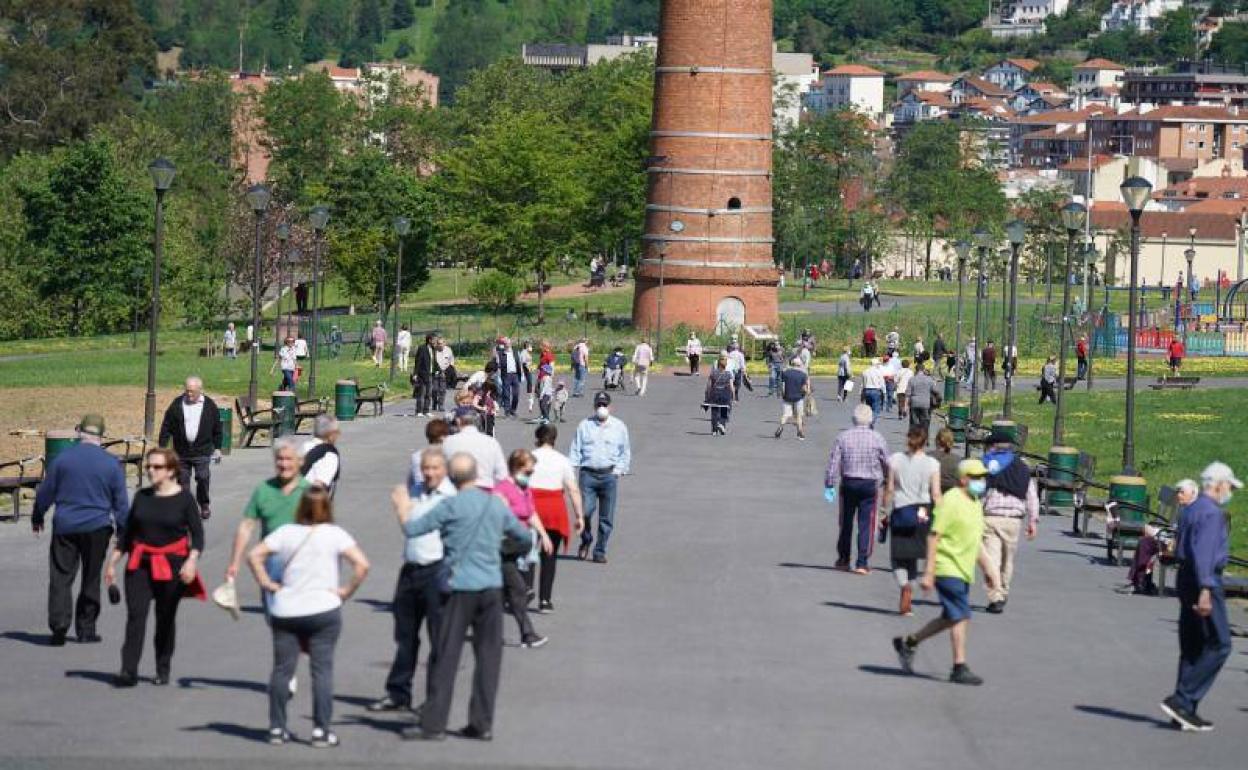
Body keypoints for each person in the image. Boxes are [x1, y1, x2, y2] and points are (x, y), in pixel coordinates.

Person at [398, 453, 534, 741]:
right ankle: (482, 723)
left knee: (447, 656)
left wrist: (402, 507)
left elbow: (413, 529)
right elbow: (523, 538)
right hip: (491, 586)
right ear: (476, 475)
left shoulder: (450, 505)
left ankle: (434, 724)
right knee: (488, 658)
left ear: (450, 475)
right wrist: (502, 549)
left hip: (457, 586)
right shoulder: (494, 505)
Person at [247, 486, 370, 748]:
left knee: (282, 670)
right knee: (322, 671)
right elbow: (362, 564)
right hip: (323, 608)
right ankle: (321, 731)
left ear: (300, 507)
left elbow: (254, 555)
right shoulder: (335, 534)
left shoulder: (285, 533)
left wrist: (268, 583)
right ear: (328, 507)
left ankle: (277, 729)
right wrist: (345, 591)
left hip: (287, 609)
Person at [105, 448, 205, 687]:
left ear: (171, 470)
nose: (151, 470)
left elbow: (198, 536)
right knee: (136, 617)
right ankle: (128, 671)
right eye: (149, 466)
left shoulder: (185, 499)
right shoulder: (142, 496)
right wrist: (112, 563)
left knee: (165, 619)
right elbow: (127, 535)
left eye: (157, 467)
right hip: (140, 565)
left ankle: (162, 668)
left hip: (172, 567)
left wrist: (191, 561)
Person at [371, 448, 456, 721]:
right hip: (410, 570)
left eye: (434, 468)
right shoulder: (416, 490)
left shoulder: (450, 498)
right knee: (405, 636)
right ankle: (398, 692)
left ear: (444, 469)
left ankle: (434, 699)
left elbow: (410, 524)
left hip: (438, 571)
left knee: (438, 640)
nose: (429, 473)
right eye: (425, 468)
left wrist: (401, 507)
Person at [892, 459, 993, 686]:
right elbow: (933, 535)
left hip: (964, 569)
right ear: (963, 479)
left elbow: (975, 540)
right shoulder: (951, 501)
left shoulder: (975, 503)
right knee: (961, 615)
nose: (981, 482)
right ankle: (959, 666)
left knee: (950, 616)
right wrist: (928, 572)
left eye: (983, 477)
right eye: (976, 477)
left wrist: (988, 569)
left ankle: (909, 642)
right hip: (947, 568)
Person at [32, 414, 129, 646]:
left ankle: (59, 627)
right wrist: (123, 530)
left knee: (61, 576)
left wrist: (38, 516)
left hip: (65, 525)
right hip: (97, 526)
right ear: (102, 436)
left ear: (79, 432)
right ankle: (86, 629)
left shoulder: (63, 460)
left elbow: (46, 492)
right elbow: (121, 502)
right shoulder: (111, 463)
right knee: (91, 576)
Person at [1160, 462, 1240, 732]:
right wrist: (1206, 589)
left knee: (1193, 644)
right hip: (1205, 580)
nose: (1230, 490)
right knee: (1220, 643)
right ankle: (1182, 699)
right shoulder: (1212, 514)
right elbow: (1204, 552)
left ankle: (1183, 712)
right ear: (1217, 484)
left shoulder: (1191, 509)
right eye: (1229, 485)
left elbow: (1186, 546)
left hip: (1185, 577)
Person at [225, 438, 311, 584]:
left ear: (300, 461)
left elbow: (324, 530)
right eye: (280, 459)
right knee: (273, 605)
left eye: (289, 459)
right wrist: (235, 563)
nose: (284, 464)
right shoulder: (264, 490)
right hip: (270, 562)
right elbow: (246, 526)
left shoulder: (310, 492)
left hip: (302, 562)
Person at [492, 449, 554, 648]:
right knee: (518, 589)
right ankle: (527, 635)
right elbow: (497, 519)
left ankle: (491, 632)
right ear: (516, 468)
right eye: (528, 472)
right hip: (502, 548)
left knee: (501, 593)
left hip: (516, 549)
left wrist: (544, 536)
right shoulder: (502, 489)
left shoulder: (523, 489)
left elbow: (531, 513)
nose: (530, 476)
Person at [882, 427, 942, 616]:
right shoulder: (932, 463)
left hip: (902, 509)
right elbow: (936, 494)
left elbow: (890, 489)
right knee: (914, 555)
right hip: (922, 511)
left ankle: (904, 585)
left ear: (908, 440)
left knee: (898, 555)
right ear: (925, 442)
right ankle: (911, 587)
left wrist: (884, 511)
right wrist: (942, 515)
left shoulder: (895, 460)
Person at [824, 404, 890, 574]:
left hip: (849, 482)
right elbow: (886, 461)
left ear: (854, 419)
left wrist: (829, 483)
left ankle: (844, 558)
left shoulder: (843, 437)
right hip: (869, 484)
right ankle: (862, 561)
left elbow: (834, 463)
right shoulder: (877, 438)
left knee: (845, 522)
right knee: (866, 523)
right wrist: (887, 478)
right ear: (871, 419)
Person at [980, 428, 1040, 614]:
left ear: (993, 446)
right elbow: (1031, 494)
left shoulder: (988, 464)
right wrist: (1033, 520)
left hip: (991, 517)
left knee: (992, 560)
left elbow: (981, 490)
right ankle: (1002, 591)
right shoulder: (1022, 466)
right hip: (1014, 520)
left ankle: (996, 595)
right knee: (1008, 560)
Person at [569, 391, 631, 563]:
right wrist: (571, 472)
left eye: (604, 405)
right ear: (594, 406)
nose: (601, 408)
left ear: (610, 407)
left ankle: (600, 551)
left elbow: (625, 452)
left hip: (608, 476)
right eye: (599, 405)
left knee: (606, 518)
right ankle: (586, 539)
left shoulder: (619, 427)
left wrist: (618, 470)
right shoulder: (584, 425)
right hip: (588, 475)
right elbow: (575, 448)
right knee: (585, 512)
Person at [530, 425, 585, 613]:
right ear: (554, 439)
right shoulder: (562, 460)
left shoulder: (529, 457)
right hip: (554, 508)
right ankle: (545, 599)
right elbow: (573, 489)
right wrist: (579, 515)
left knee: (528, 549)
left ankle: (527, 587)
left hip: (532, 506)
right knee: (549, 554)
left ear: (536, 438)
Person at [158, 376, 224, 519]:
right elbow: (166, 426)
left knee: (202, 477)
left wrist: (218, 447)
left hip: (202, 450)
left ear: (200, 390)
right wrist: (162, 447)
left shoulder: (209, 405)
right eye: (187, 391)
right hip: (182, 451)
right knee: (183, 480)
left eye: (192, 391)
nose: (189, 394)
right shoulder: (177, 404)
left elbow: (217, 428)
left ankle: (204, 504)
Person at [442, 406, 508, 491]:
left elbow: (443, 470)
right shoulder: (491, 442)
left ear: (458, 421)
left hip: (457, 489)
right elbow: (502, 475)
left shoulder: (449, 442)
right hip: (485, 489)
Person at [301, 415, 342, 498]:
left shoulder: (304, 447)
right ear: (331, 434)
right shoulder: (330, 455)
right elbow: (320, 485)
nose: (339, 434)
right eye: (337, 431)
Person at [775, 357, 810, 440]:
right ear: (800, 365)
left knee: (785, 415)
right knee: (798, 416)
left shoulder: (785, 373)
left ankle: (780, 427)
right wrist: (807, 393)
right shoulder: (803, 375)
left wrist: (783, 394)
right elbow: (804, 388)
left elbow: (783, 385)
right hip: (798, 397)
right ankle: (800, 433)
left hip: (787, 396)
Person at [704, 354, 736, 437]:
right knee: (724, 411)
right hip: (725, 394)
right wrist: (733, 396)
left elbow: (708, 386)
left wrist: (707, 395)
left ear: (718, 364)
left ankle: (714, 430)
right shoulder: (728, 374)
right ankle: (722, 424)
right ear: (725, 365)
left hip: (715, 394)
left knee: (714, 412)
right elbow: (732, 386)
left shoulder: (713, 373)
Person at [494, 337, 523, 418]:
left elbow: (519, 363)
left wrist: (522, 374)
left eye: (508, 343)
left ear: (510, 344)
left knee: (516, 394)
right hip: (506, 375)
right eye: (506, 343)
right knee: (506, 394)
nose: (507, 344)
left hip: (515, 375)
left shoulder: (516, 352)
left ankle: (513, 410)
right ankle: (507, 411)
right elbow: (498, 366)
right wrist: (498, 377)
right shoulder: (500, 354)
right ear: (504, 344)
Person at [411, 334, 439, 417]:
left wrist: (438, 370)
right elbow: (418, 361)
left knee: (429, 393)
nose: (435, 342)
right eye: (434, 340)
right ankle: (419, 411)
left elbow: (434, 361)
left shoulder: (433, 349)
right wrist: (415, 373)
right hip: (422, 374)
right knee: (421, 393)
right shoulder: (422, 348)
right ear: (429, 340)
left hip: (430, 374)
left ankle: (426, 410)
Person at [931, 428, 961, 493]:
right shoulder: (957, 459)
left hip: (930, 494)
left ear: (937, 441)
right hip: (949, 495)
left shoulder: (928, 457)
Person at [861, 358, 886, 427]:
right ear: (875, 364)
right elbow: (882, 383)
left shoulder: (865, 371)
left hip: (867, 390)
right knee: (876, 409)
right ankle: (871, 421)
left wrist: (861, 395)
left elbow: (862, 384)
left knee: (869, 409)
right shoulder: (879, 372)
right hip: (876, 391)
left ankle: (869, 422)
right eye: (878, 364)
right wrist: (884, 392)